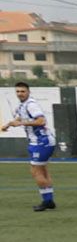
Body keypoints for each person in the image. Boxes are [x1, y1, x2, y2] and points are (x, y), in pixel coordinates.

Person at [5, 82, 56, 210]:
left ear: (28, 92)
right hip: (39, 141)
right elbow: (18, 119)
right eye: (18, 91)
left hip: (41, 141)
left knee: (35, 171)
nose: (20, 94)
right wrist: (9, 124)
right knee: (43, 171)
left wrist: (21, 123)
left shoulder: (31, 105)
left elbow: (41, 120)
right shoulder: (22, 106)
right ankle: (49, 200)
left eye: (22, 91)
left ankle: (47, 201)